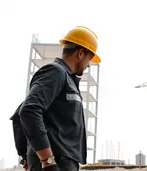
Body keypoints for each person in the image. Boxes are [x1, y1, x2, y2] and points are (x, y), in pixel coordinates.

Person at [19, 26, 101, 171]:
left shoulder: (65, 79)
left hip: (60, 161)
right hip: (55, 162)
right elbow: (28, 111)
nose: (88, 64)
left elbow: (19, 115)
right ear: (81, 53)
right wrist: (47, 160)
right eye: (89, 58)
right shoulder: (56, 72)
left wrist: (26, 154)